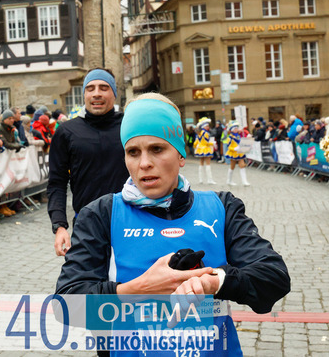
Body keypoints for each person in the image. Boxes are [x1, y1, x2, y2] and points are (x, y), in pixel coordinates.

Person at [55, 93, 290, 355]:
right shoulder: (101, 214)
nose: (144, 163)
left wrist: (214, 282)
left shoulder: (221, 207)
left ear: (180, 155)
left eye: (157, 149)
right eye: (133, 152)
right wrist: (138, 289)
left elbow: (274, 277)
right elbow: (66, 306)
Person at [48, 68, 129, 257]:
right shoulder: (67, 131)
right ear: (84, 95)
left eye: (104, 88)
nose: (96, 93)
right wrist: (59, 226)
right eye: (90, 88)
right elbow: (57, 183)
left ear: (114, 94)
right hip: (87, 225)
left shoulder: (129, 126)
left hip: (129, 223)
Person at [224, 120, 250, 186]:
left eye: (237, 128)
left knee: (242, 165)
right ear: (231, 129)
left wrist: (246, 139)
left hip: (239, 152)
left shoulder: (238, 136)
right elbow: (229, 147)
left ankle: (244, 181)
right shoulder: (230, 137)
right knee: (232, 167)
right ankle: (229, 180)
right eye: (235, 128)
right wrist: (234, 149)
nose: (236, 129)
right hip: (233, 153)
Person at [193, 117, 217, 185]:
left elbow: (196, 142)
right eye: (207, 126)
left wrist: (196, 146)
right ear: (204, 126)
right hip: (206, 149)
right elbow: (206, 142)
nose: (208, 127)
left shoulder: (199, 133)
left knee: (201, 163)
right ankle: (209, 179)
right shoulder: (206, 133)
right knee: (208, 164)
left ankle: (200, 179)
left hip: (200, 149)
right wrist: (213, 143)